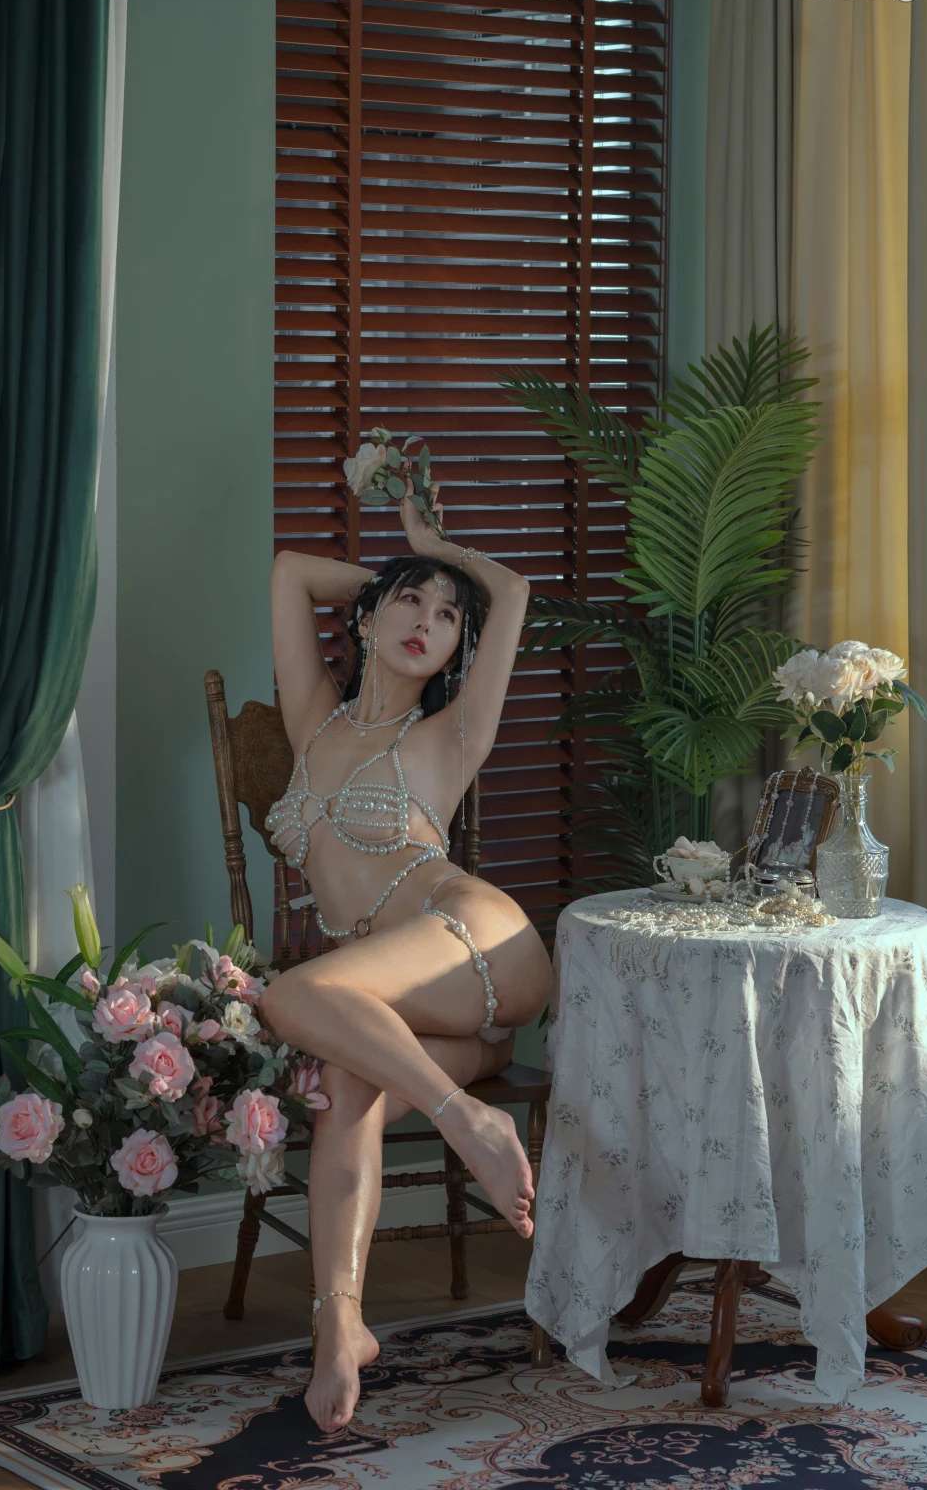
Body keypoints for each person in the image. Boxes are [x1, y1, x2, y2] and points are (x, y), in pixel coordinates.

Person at [258, 478, 555, 1435]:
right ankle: (340, 1326)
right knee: (344, 1084)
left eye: (446, 617)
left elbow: (511, 592)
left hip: (479, 938)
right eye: (410, 603)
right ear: (368, 616)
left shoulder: (450, 736)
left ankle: (468, 1122)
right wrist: (392, 575)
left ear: (461, 648)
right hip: (418, 1012)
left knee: (287, 999)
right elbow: (291, 571)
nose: (428, 621)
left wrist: (427, 546)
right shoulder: (313, 719)